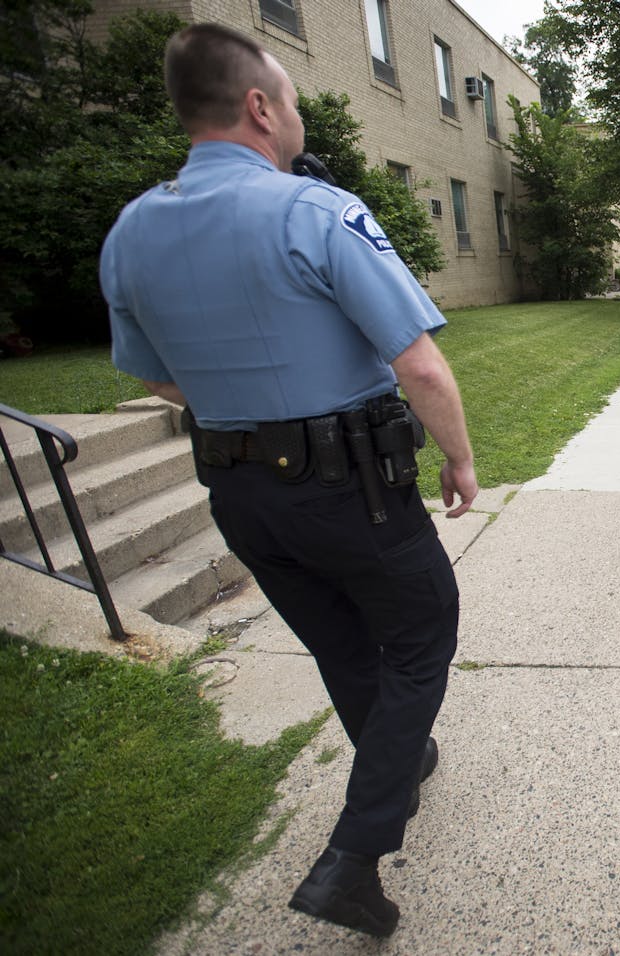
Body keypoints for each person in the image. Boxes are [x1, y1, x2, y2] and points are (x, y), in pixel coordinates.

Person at [99, 23, 479, 938]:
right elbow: (420, 366)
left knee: (341, 643)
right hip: (348, 481)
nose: (299, 114)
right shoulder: (315, 211)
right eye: (294, 98)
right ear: (260, 107)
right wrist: (459, 458)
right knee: (424, 629)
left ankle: (399, 758)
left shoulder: (131, 228)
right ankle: (355, 856)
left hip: (239, 491)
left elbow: (152, 375)